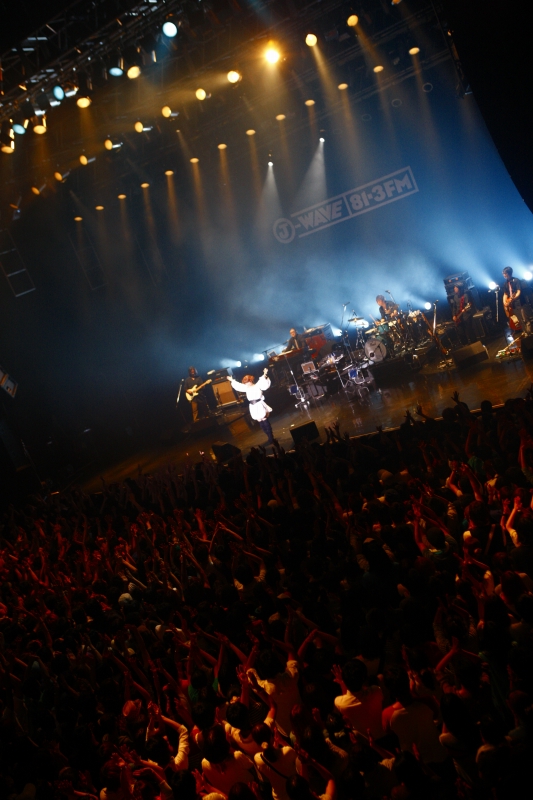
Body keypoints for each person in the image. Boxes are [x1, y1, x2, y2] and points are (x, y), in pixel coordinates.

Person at [228, 367, 275, 445]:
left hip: (259, 404)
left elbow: (263, 381)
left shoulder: (257, 385)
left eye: (247, 382)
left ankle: (271, 437)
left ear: (250, 381)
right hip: (253, 406)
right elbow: (238, 385)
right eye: (245, 382)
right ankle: (268, 436)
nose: (246, 384)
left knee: (264, 419)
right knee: (260, 420)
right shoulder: (246, 388)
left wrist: (264, 374)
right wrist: (232, 380)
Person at [502, 266, 527, 330]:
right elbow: (505, 294)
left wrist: (515, 298)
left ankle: (529, 332)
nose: (504, 275)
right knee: (519, 319)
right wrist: (505, 302)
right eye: (503, 274)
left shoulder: (516, 280)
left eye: (505, 273)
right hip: (513, 305)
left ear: (508, 273)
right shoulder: (505, 283)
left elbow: (518, 291)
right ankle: (524, 331)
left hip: (520, 302)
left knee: (525, 318)